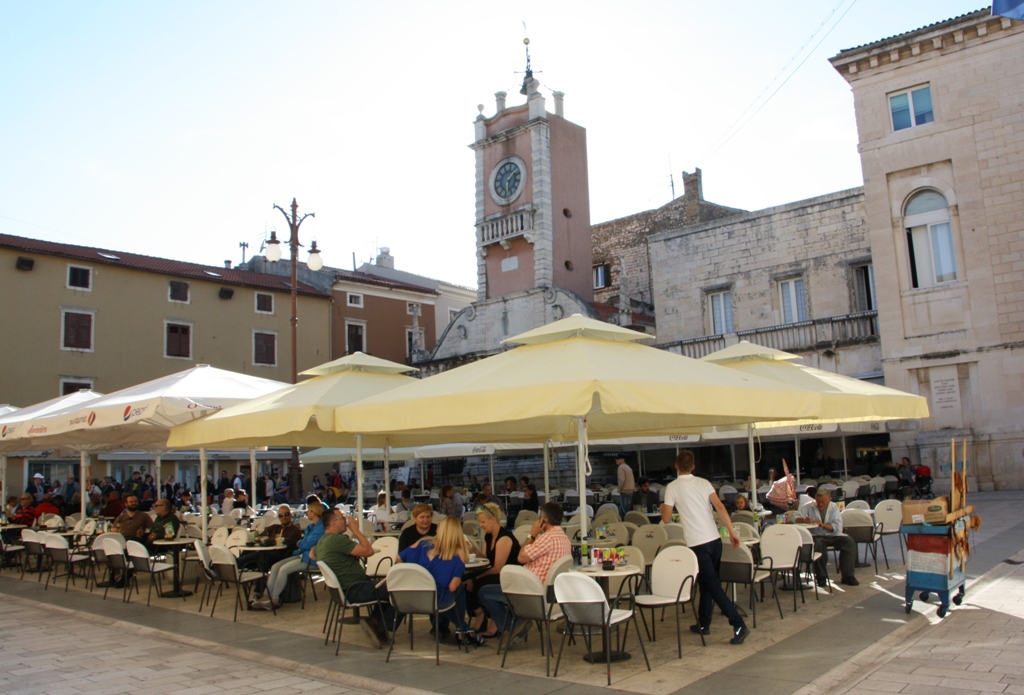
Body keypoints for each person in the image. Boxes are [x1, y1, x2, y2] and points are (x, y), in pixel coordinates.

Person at [661, 449, 749, 645]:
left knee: (712, 586)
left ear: (676, 465)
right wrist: (732, 532)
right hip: (714, 539)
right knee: (708, 583)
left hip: (697, 542)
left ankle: (738, 623)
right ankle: (704, 622)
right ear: (693, 466)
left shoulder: (673, 487)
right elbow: (720, 507)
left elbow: (666, 518)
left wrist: (662, 506)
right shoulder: (704, 483)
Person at [478, 501, 570, 646]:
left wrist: (532, 535)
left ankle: (513, 625)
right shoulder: (564, 538)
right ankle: (518, 621)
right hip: (551, 593)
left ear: (544, 520)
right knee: (493, 587)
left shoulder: (547, 538)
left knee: (484, 591)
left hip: (531, 592)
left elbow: (520, 557)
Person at [311, 508, 393, 646]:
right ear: (333, 523)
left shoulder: (323, 540)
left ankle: (373, 621)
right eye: (342, 518)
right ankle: (381, 628)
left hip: (343, 591)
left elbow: (312, 555)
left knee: (389, 586)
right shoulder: (336, 539)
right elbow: (368, 551)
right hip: (357, 589)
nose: (346, 520)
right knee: (398, 589)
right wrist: (355, 530)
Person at [397, 515, 474, 643]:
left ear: (439, 529)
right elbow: (452, 587)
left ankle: (445, 625)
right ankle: (461, 628)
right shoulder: (456, 556)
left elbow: (399, 558)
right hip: (437, 601)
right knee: (456, 589)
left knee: (443, 590)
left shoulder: (422, 544)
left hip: (413, 597)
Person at [252, 501, 325, 610]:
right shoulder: (311, 527)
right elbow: (305, 543)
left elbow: (305, 543)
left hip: (311, 559)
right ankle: (266, 595)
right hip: (303, 555)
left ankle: (274, 598)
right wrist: (302, 545)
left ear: (313, 512)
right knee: (275, 566)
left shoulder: (320, 527)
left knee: (283, 569)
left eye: (309, 511)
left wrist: (299, 544)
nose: (307, 513)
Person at [467, 502, 521, 638]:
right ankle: (482, 615)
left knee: (477, 584)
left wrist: (476, 578)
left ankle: (492, 620)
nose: (481, 525)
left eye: (483, 522)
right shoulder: (489, 536)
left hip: (508, 576)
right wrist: (474, 549)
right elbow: (485, 560)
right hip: (498, 573)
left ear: (493, 520)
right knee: (465, 582)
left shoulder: (504, 538)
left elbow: (497, 568)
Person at [797, 488, 859, 587]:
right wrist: (803, 520)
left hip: (833, 535)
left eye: (823, 502)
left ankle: (848, 576)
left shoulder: (834, 507)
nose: (820, 504)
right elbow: (794, 517)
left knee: (849, 542)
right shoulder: (808, 507)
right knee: (819, 545)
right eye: (818, 501)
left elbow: (838, 527)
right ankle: (821, 577)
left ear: (829, 500)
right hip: (816, 535)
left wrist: (823, 524)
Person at [238, 505, 302, 575]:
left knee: (262, 556)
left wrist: (270, 540)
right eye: (281, 515)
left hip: (282, 555)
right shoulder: (275, 527)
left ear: (290, 515)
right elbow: (261, 536)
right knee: (248, 551)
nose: (283, 517)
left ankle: (236, 564)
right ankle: (237, 565)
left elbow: (286, 542)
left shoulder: (295, 530)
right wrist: (263, 539)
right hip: (267, 552)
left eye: (286, 514)